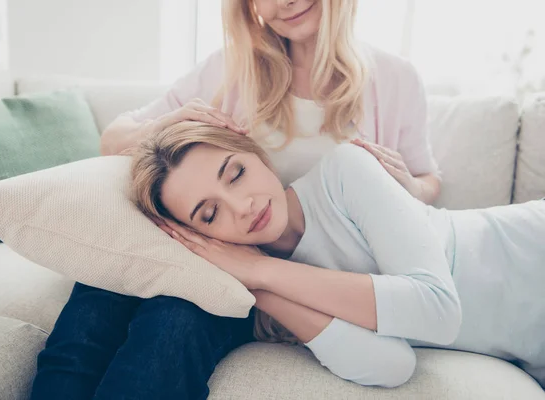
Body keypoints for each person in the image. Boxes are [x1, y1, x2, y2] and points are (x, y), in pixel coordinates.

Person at [32, 0, 444, 398]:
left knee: (175, 319)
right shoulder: (231, 68)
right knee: (103, 284)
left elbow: (429, 181)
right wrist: (167, 122)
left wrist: (406, 186)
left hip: (290, 282)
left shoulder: (394, 78)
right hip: (214, 252)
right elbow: (114, 140)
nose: (286, 1)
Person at [131, 120, 545, 388]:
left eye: (236, 173)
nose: (243, 206)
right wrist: (257, 280)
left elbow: (437, 309)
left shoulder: (344, 172)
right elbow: (390, 367)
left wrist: (259, 268)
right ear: (201, 238)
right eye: (210, 213)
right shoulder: (267, 285)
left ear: (256, 155)